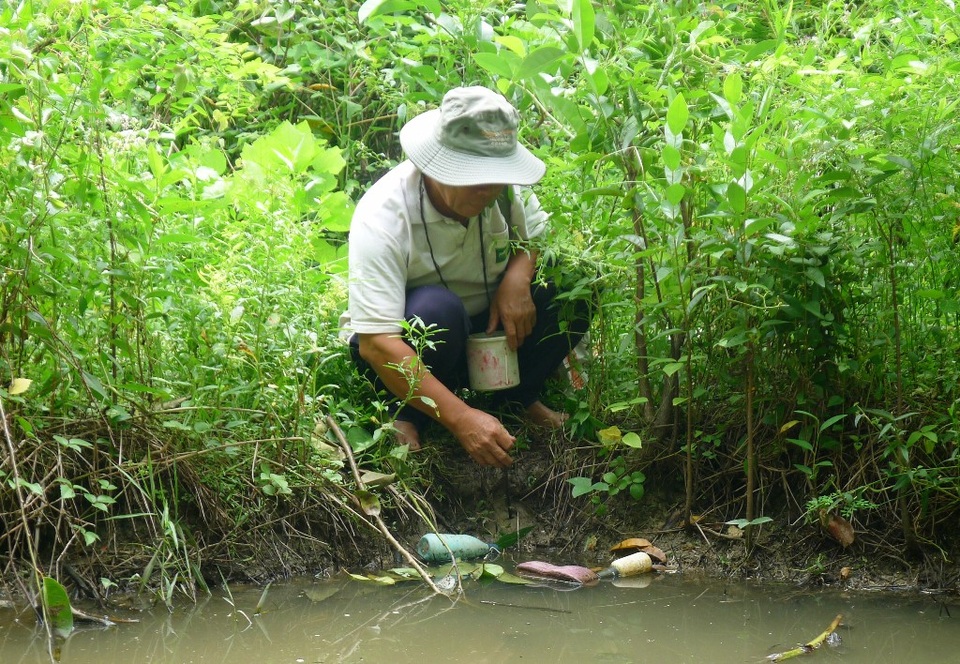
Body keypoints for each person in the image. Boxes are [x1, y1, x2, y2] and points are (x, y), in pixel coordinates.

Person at [339, 86, 590, 468]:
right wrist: (461, 420)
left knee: (575, 283)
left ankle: (517, 397)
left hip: (487, 326)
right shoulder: (384, 215)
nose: (488, 188)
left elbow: (536, 237)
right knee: (436, 311)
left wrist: (517, 280)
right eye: (473, 175)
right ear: (436, 165)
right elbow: (378, 343)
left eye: (495, 175)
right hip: (414, 340)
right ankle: (408, 413)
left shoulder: (505, 191)